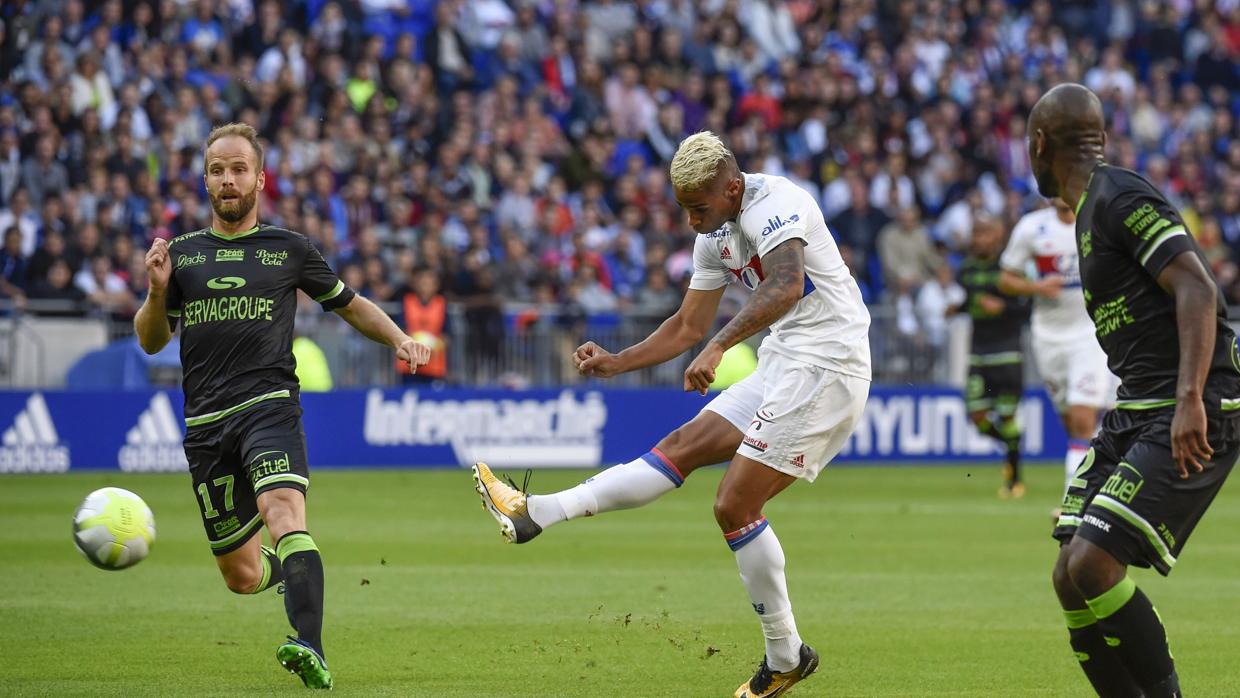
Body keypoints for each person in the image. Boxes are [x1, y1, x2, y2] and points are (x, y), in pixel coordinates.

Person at [472, 132, 871, 698]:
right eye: (683, 209)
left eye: (699, 208)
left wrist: (719, 347)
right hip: (786, 362)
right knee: (679, 448)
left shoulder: (778, 202)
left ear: (733, 188)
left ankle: (785, 654)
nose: (689, 222)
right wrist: (617, 362)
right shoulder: (715, 234)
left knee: (734, 504)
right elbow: (686, 327)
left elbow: (784, 287)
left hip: (829, 366)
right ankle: (536, 513)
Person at [133, 123, 431, 690]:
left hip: (269, 407)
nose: (228, 179)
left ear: (260, 179)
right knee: (242, 576)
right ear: (205, 181)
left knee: (284, 513)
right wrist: (154, 291)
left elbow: (350, 304)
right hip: (204, 426)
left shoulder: (289, 249)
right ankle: (293, 573)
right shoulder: (182, 257)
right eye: (218, 170)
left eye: (239, 168)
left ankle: (308, 643)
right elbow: (151, 341)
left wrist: (399, 339)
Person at [1032, 83, 1239, 697]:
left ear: (1039, 144)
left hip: (1191, 400)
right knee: (1069, 573)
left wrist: (1190, 400)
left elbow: (1199, 289)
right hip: (1138, 406)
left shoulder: (1119, 195)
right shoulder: (1091, 209)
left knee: (1095, 562)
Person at [999, 197, 1116, 497]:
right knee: (1073, 424)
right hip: (1048, 337)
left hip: (1089, 332)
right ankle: (1104, 483)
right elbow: (1006, 279)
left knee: (1081, 418)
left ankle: (1073, 501)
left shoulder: (1096, 222)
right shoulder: (1032, 228)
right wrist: (1035, 287)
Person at [951, 213, 1030, 498]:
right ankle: (1013, 445)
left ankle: (1014, 481)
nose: (980, 239)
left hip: (1008, 353)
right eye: (977, 233)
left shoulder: (1009, 268)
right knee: (977, 416)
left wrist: (1003, 308)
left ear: (998, 236)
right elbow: (973, 300)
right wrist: (957, 309)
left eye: (986, 233)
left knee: (1007, 417)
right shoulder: (967, 270)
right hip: (978, 355)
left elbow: (1027, 307)